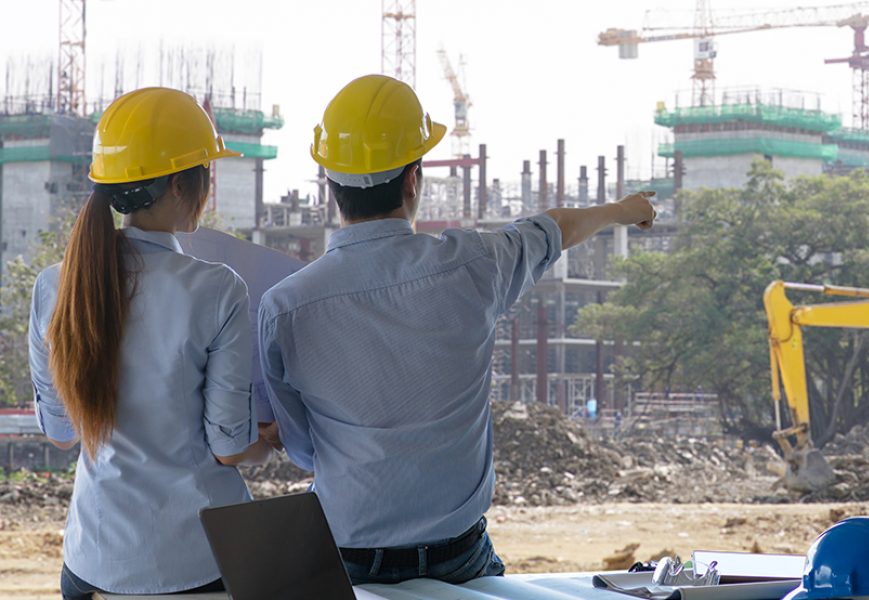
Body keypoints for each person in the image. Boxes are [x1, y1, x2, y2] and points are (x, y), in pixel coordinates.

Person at [258, 74, 656, 585]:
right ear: (412, 179)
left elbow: (304, 449)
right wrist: (626, 210)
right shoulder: (474, 264)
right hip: (459, 556)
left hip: (349, 556)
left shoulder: (284, 306)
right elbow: (555, 228)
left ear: (330, 184)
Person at [26, 87, 275, 600]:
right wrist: (267, 441)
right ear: (186, 183)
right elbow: (229, 449)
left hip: (93, 563)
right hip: (198, 562)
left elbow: (61, 433)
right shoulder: (216, 287)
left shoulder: (56, 284)